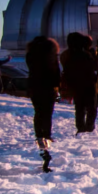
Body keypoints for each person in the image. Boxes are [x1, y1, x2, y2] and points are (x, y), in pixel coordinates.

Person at [25, 36, 60, 172]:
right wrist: (58, 86)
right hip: (48, 86)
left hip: (34, 86)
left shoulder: (30, 55)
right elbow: (56, 72)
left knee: (38, 111)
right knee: (47, 112)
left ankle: (39, 134)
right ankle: (47, 134)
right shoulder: (51, 56)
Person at [61, 33, 98, 133]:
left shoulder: (68, 55)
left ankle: (81, 128)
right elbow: (95, 67)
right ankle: (89, 127)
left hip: (75, 85)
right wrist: (96, 56)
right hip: (88, 84)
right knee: (92, 107)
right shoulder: (86, 55)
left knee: (80, 108)